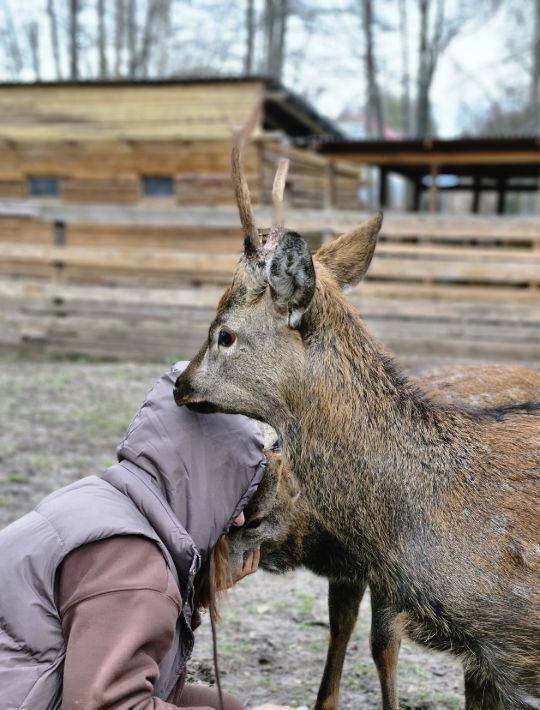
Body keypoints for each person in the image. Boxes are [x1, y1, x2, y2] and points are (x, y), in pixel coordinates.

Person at [0, 362, 291, 710]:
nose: (240, 516)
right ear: (210, 482)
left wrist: (196, 592)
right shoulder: (133, 565)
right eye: (239, 492)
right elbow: (108, 705)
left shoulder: (99, 501)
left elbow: (133, 666)